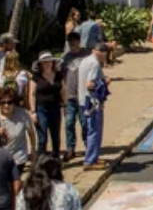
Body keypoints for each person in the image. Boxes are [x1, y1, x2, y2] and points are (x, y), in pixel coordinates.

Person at [78, 43, 111, 171]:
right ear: (100, 52)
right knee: (94, 131)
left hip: (83, 100)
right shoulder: (95, 64)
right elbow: (89, 84)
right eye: (104, 53)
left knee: (90, 130)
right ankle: (90, 160)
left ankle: (94, 157)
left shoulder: (85, 61)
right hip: (92, 102)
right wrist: (104, 82)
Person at [0, 87, 37, 173]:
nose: (6, 105)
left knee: (15, 184)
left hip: (18, 157)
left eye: (9, 102)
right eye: (3, 103)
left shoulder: (23, 114)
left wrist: (33, 150)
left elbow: (31, 133)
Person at [59, 33, 90, 161]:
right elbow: (61, 78)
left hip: (83, 96)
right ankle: (70, 148)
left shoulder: (86, 56)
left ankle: (89, 146)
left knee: (85, 123)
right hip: (70, 96)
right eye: (69, 42)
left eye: (74, 41)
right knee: (69, 123)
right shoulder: (65, 58)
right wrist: (63, 96)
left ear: (78, 41)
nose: (72, 44)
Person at [28, 52, 63, 159]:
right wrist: (33, 112)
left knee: (56, 136)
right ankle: (41, 161)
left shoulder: (58, 75)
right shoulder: (36, 77)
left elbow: (63, 91)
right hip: (41, 109)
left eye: (49, 61)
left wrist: (65, 105)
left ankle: (56, 160)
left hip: (55, 108)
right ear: (40, 64)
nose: (47, 64)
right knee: (42, 137)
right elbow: (32, 94)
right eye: (44, 62)